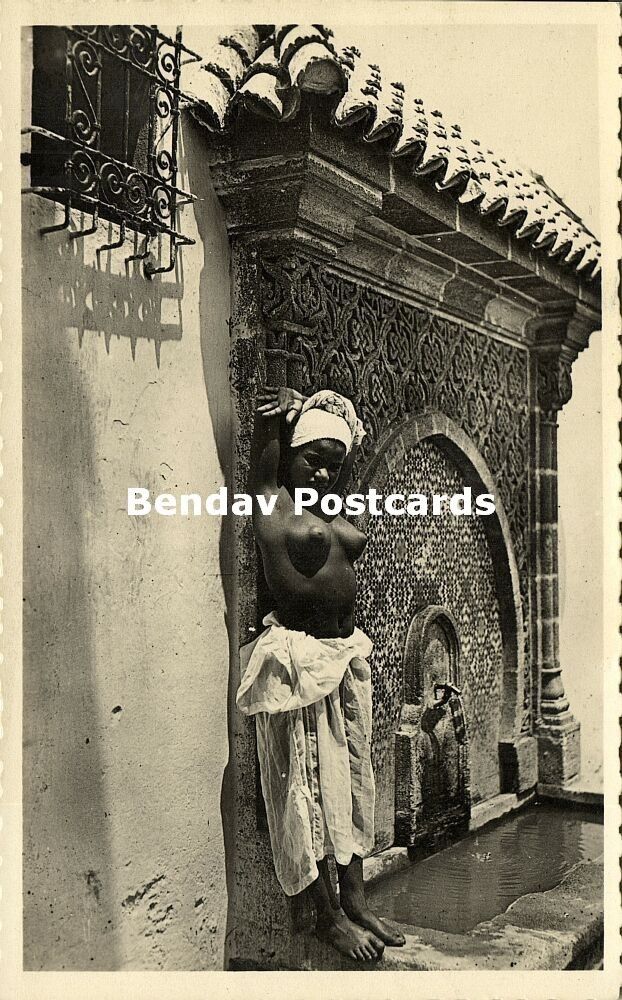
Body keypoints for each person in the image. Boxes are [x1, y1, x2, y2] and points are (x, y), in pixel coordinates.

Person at [236, 385, 406, 963]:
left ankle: (355, 898)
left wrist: (322, 416)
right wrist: (284, 418)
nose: (327, 473)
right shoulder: (273, 504)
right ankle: (326, 915)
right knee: (305, 790)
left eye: (335, 463)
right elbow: (262, 458)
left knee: (353, 782)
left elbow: (339, 452)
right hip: (298, 664)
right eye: (314, 460)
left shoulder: (330, 503)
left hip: (344, 660)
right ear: (291, 457)